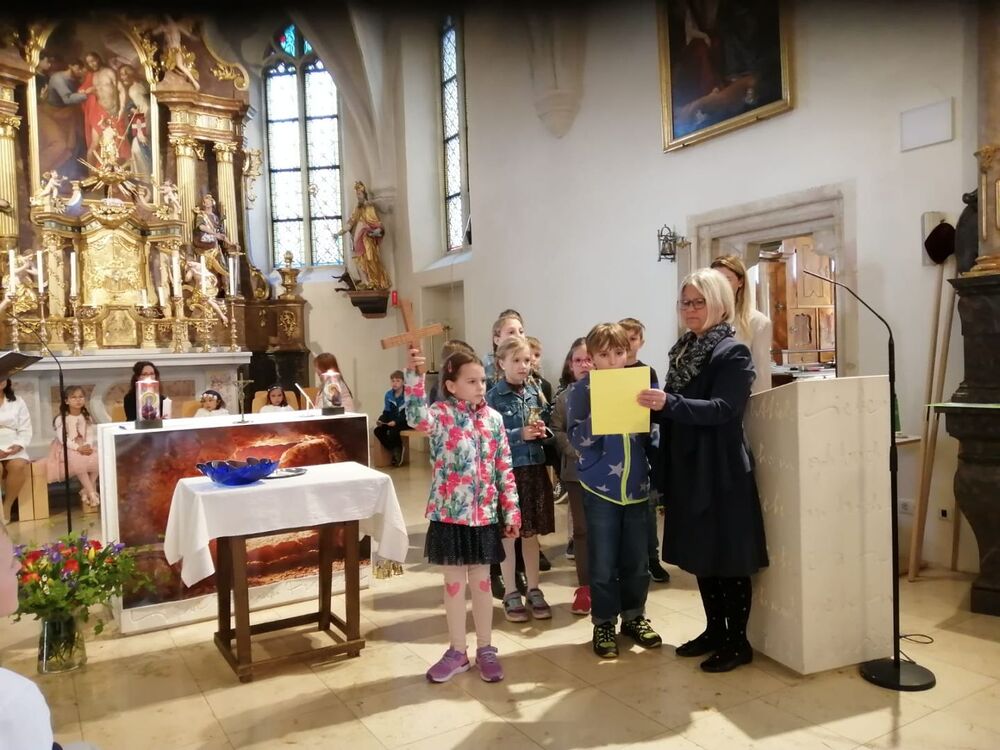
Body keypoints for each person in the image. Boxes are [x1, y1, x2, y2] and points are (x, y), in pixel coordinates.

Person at [639, 268, 769, 673]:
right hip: (688, 464)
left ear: (720, 304)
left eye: (698, 302)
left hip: (720, 468)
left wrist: (668, 404)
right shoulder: (683, 350)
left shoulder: (732, 352)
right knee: (702, 555)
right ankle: (714, 630)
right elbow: (676, 408)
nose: (690, 309)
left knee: (727, 558)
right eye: (685, 302)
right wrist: (643, 410)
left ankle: (737, 642)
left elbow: (723, 410)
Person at [404, 347, 520, 683]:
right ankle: (457, 651)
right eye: (471, 381)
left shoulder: (494, 420)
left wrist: (511, 509)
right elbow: (415, 418)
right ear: (451, 385)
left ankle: (485, 648)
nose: (480, 386)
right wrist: (414, 376)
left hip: (484, 516)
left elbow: (504, 467)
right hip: (450, 515)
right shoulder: (440, 415)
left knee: (482, 583)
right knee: (454, 584)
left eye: (483, 380)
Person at [568, 323, 661, 659]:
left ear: (628, 353)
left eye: (619, 353)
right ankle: (604, 621)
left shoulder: (642, 383)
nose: (612, 360)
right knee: (604, 561)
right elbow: (576, 439)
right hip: (600, 488)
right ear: (592, 357)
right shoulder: (582, 391)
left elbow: (652, 433)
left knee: (637, 560)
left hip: (637, 486)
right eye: (604, 354)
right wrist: (600, 415)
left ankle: (634, 616)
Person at [486, 336, 555, 622]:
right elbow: (490, 436)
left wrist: (543, 431)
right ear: (501, 363)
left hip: (534, 470)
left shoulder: (535, 391)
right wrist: (519, 434)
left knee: (531, 535)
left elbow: (547, 422)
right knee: (509, 535)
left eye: (527, 360)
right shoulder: (493, 397)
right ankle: (511, 591)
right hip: (509, 473)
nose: (523, 366)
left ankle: (534, 588)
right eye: (516, 360)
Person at [619, 317, 671, 585]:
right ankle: (625, 562)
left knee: (647, 508)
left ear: (641, 342)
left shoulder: (647, 372)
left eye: (633, 338)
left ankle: (652, 559)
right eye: (624, 338)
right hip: (615, 448)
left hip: (642, 445)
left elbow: (654, 410)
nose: (628, 344)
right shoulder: (607, 371)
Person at [550, 337, 593, 615]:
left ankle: (608, 582)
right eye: (578, 360)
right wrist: (576, 450)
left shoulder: (608, 392)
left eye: (589, 359)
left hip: (606, 472)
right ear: (570, 365)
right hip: (576, 472)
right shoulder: (564, 398)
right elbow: (557, 430)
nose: (584, 364)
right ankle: (585, 587)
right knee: (582, 530)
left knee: (607, 529)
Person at [711, 255, 773, 393]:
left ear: (740, 282)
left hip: (737, 401)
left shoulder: (758, 322)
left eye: (727, 280)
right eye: (715, 281)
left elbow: (761, 380)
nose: (720, 286)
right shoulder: (701, 319)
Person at [46, 386, 100, 508]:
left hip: (83, 445)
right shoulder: (61, 418)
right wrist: (77, 448)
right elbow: (64, 439)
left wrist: (88, 445)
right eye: (74, 397)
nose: (78, 400)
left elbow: (89, 434)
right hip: (67, 448)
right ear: (66, 401)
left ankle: (85, 490)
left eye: (81, 397)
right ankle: (92, 493)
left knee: (99, 459)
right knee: (79, 462)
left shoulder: (86, 417)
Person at [0, 379, 31, 525]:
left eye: (3, 376)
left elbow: (26, 427)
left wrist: (19, 445)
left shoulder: (18, 401)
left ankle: (7, 506)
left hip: (13, 444)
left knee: (18, 466)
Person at [374, 370, 409, 466]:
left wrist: (396, 422)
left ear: (403, 382)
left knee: (393, 431)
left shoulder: (408, 394)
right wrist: (381, 420)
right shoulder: (388, 395)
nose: (395, 383)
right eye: (393, 381)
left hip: (405, 420)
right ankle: (396, 449)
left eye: (397, 381)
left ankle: (397, 453)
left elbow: (408, 413)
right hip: (392, 421)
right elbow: (386, 412)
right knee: (378, 431)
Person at [484, 313, 524, 389]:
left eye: (521, 331)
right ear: (497, 340)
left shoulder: (529, 370)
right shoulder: (487, 374)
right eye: (511, 332)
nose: (519, 336)